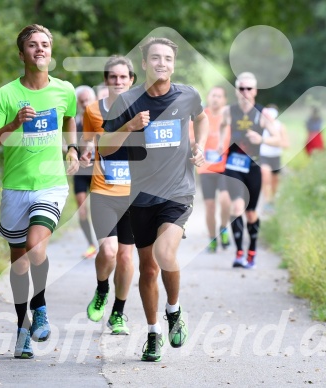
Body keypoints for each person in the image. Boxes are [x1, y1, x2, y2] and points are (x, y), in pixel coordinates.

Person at [99, 37, 208, 362]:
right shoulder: (128, 100)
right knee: (148, 270)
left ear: (174, 63)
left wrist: (199, 145)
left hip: (177, 192)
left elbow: (201, 117)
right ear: (144, 64)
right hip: (140, 197)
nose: (162, 63)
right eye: (155, 58)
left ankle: (173, 310)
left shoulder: (188, 95)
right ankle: (153, 333)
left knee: (164, 252)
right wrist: (130, 126)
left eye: (168, 58)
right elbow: (105, 147)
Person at [0, 24, 79, 359]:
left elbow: (69, 119)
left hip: (50, 186)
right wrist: (12, 125)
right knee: (19, 265)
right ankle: (22, 327)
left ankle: (41, 310)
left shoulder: (64, 90)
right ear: (21, 54)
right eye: (33, 45)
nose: (40, 50)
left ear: (51, 52)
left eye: (46, 45)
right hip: (15, 189)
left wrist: (73, 150)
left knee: (37, 248)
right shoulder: (6, 95)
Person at [82, 55, 136, 335]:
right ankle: (102, 289)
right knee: (109, 250)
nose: (118, 82)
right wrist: (85, 151)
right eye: (113, 77)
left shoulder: (142, 112)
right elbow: (87, 142)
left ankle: (118, 313)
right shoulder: (93, 111)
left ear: (131, 80)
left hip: (134, 196)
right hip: (103, 190)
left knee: (126, 258)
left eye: (123, 77)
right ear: (106, 80)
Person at [219, 72, 280, 269]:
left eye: (249, 88)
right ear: (236, 91)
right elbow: (220, 127)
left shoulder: (262, 114)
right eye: (241, 88)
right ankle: (238, 254)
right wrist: (220, 145)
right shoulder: (229, 111)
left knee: (251, 213)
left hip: (253, 166)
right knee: (237, 208)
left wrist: (262, 139)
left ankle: (251, 253)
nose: (245, 92)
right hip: (233, 166)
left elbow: (278, 139)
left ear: (255, 91)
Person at [197, 86, 231, 253]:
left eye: (219, 96)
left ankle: (224, 228)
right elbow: (191, 138)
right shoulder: (201, 117)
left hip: (226, 167)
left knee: (225, 200)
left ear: (224, 100)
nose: (216, 99)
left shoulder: (229, 117)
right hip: (206, 169)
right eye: (213, 96)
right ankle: (212, 238)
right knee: (210, 206)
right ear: (208, 98)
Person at [74, 85, 98, 259]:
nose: (84, 103)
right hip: (80, 172)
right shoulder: (74, 123)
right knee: (82, 211)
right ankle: (91, 245)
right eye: (81, 101)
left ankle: (106, 242)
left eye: (87, 100)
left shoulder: (100, 119)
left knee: (100, 210)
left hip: (97, 170)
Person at [259, 104, 289, 215]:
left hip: (276, 157)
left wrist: (274, 142)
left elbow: (286, 144)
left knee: (274, 183)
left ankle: (272, 201)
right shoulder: (261, 126)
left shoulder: (280, 126)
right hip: (264, 156)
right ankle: (266, 202)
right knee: (265, 176)